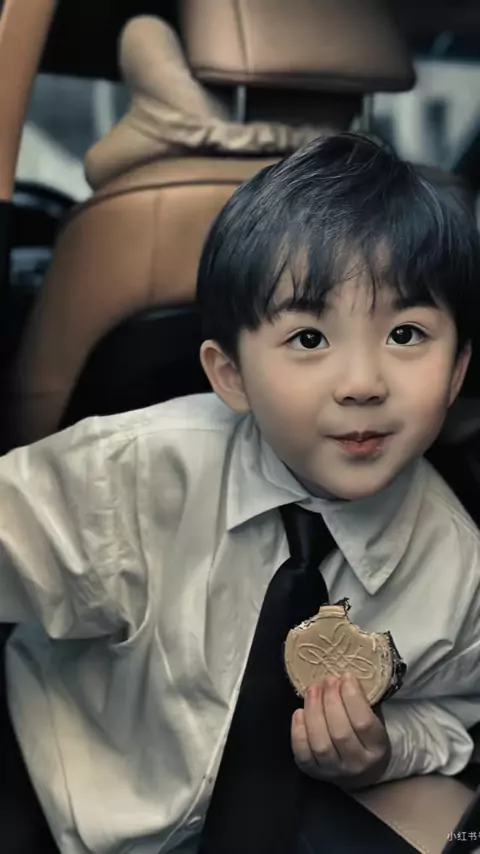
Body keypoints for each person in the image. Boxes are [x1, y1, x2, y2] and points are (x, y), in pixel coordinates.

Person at [0, 133, 480, 854]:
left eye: (406, 333)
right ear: (230, 376)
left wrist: (384, 748)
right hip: (58, 786)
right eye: (310, 340)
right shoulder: (134, 472)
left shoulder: (459, 563)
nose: (362, 383)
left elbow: (451, 713)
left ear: (457, 370)